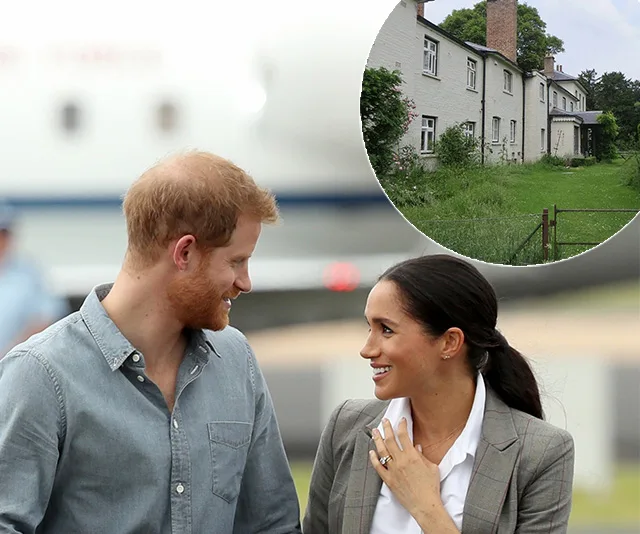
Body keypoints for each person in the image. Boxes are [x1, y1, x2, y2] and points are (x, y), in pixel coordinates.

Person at [0, 151, 302, 533]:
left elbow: (273, 525)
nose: (246, 282)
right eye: (237, 261)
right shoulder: (40, 375)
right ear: (185, 252)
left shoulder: (236, 360)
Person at [303, 254, 575, 534]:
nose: (367, 349)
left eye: (386, 330)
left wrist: (425, 507)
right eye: (369, 328)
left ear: (449, 342)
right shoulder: (346, 428)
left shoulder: (542, 453)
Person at [0, 202, 70, 359]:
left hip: (14, 365)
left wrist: (11, 356)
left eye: (4, 233)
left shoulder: (29, 272)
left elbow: (47, 318)